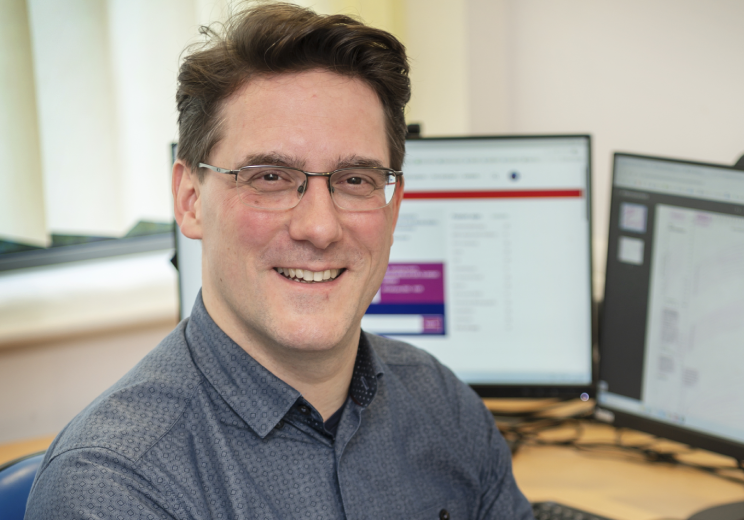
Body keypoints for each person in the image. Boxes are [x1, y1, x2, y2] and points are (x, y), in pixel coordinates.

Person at [25, 4, 533, 519]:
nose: (320, 227)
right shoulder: (114, 486)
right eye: (269, 177)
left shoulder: (443, 405)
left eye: (355, 180)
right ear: (190, 200)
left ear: (393, 208)